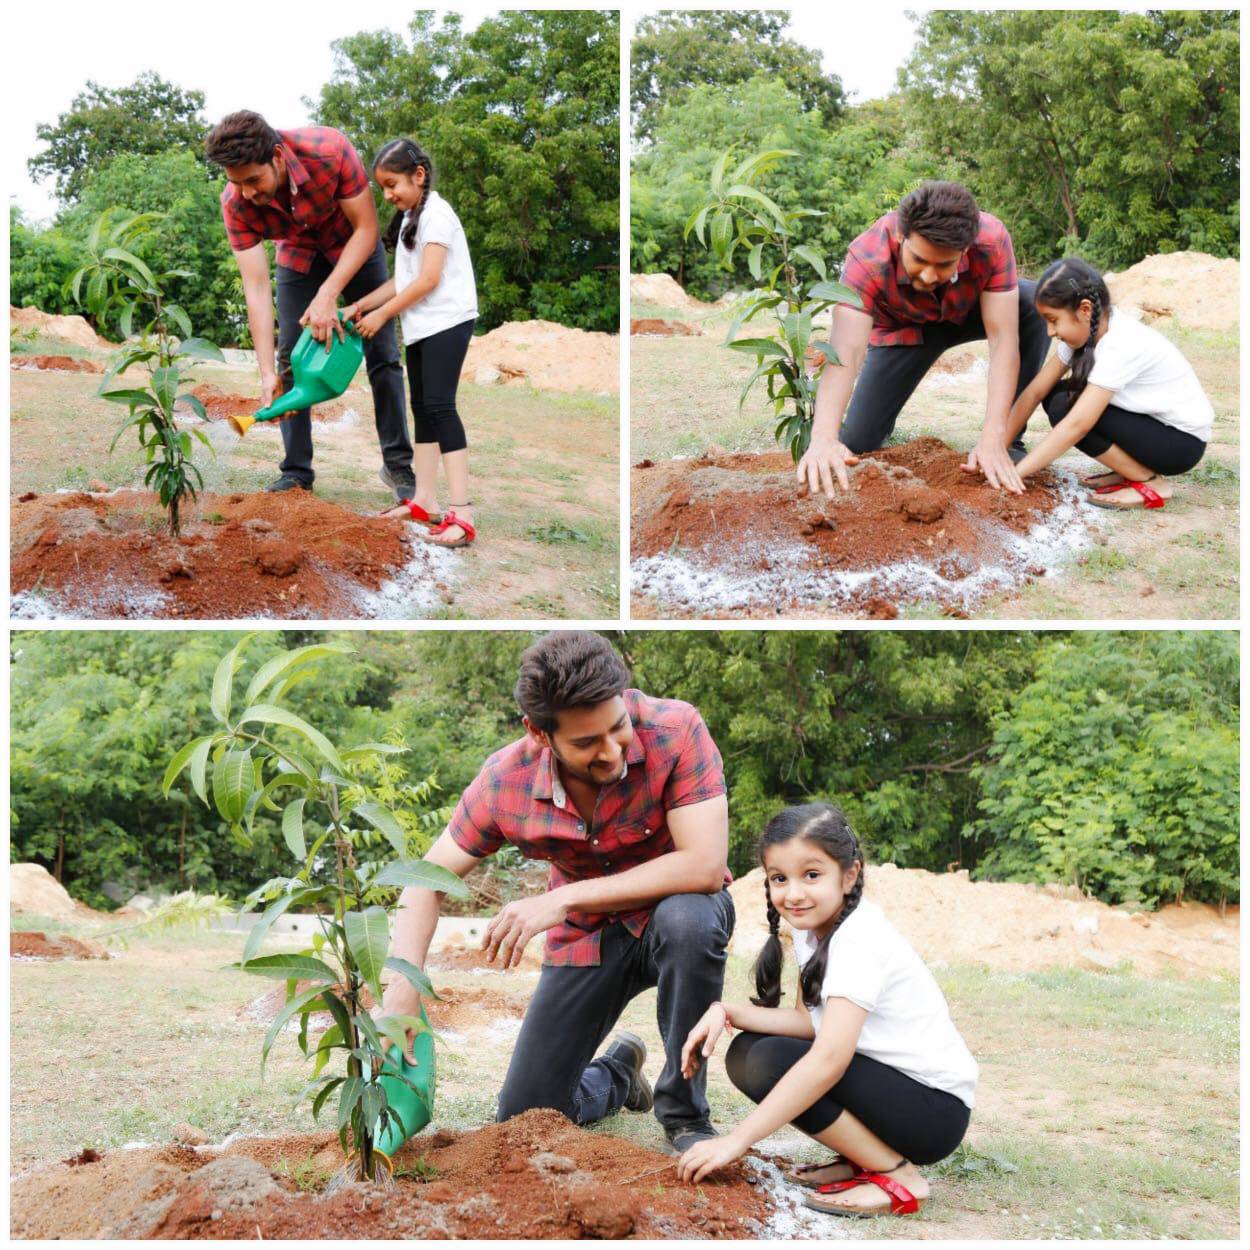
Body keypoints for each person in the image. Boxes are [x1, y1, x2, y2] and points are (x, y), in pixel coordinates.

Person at [377, 631, 735, 1154]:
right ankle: (616, 1075)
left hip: (673, 917)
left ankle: (684, 1114)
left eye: (618, 728)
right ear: (538, 733)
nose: (613, 751)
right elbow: (425, 878)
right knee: (527, 1117)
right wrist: (403, 987)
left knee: (689, 921)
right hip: (588, 939)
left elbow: (704, 866)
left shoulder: (675, 729)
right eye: (587, 742)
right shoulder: (506, 781)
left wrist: (562, 899)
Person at [676, 803, 977, 1219]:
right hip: (896, 1094)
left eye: (811, 875)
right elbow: (807, 1024)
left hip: (933, 1111)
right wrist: (723, 1010)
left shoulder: (857, 939)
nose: (794, 893)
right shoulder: (813, 931)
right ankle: (862, 1159)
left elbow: (829, 1059)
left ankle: (899, 1175)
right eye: (780, 878)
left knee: (767, 1060)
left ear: (849, 875)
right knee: (748, 1053)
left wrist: (736, 1140)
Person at [204, 111, 414, 498]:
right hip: (298, 254)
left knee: (382, 350)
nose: (248, 192)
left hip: (353, 245)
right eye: (238, 183)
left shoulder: (329, 151)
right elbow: (255, 288)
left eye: (254, 180)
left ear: (279, 157)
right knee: (288, 361)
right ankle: (297, 472)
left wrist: (329, 293)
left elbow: (367, 229)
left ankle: (399, 466)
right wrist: (266, 373)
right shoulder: (236, 204)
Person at [797, 181, 1049, 498]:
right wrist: (822, 437)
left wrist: (994, 435)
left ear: (966, 249)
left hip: (968, 313)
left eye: (944, 264)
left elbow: (1004, 343)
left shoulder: (991, 240)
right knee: (858, 441)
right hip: (905, 330)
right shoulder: (868, 258)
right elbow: (846, 350)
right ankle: (872, 423)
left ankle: (1008, 442)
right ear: (902, 236)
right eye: (919, 260)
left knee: (1033, 303)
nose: (929, 275)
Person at [346, 139, 480, 547]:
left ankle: (463, 513)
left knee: (441, 408)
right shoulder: (410, 218)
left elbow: (428, 280)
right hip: (423, 324)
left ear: (418, 175)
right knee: (422, 408)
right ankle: (424, 500)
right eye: (382, 188)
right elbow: (404, 281)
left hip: (448, 321)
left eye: (392, 185)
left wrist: (383, 315)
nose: (387, 195)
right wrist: (362, 305)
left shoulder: (437, 215)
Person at [1002, 257, 1212, 509]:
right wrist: (997, 447)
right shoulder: (1087, 334)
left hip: (1180, 443)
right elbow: (1036, 391)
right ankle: (1131, 470)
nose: (1049, 332)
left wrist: (1016, 473)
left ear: (1085, 310)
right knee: (1056, 395)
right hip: (1155, 429)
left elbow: (1076, 425)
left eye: (1053, 320)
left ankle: (1150, 482)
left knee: (1064, 407)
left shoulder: (1121, 343)